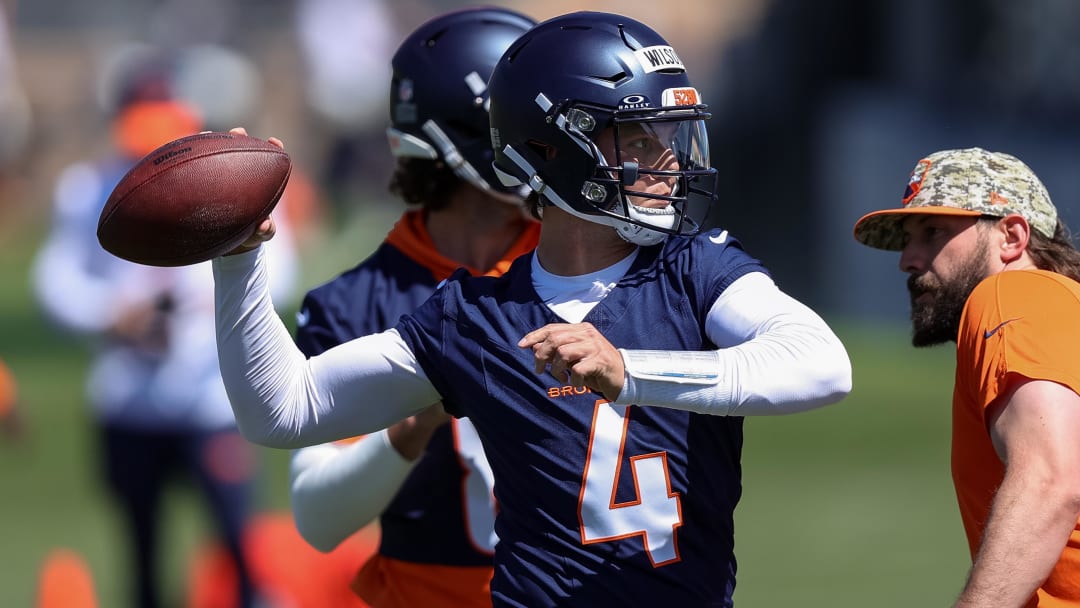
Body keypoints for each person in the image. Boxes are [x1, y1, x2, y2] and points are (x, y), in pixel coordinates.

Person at [210, 11, 851, 607]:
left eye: (670, 135)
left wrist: (630, 371)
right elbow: (283, 409)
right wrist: (237, 260)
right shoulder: (472, 315)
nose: (667, 162)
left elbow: (822, 367)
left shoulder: (695, 266)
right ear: (552, 150)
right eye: (636, 137)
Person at [287, 7, 539, 608]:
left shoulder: (592, 260)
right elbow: (318, 518)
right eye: (529, 123)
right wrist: (412, 424)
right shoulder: (354, 303)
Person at [31, 54, 298, 608]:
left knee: (240, 547)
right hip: (128, 399)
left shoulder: (226, 174)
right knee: (143, 554)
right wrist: (112, 313)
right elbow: (54, 282)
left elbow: (286, 263)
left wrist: (213, 297)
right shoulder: (87, 188)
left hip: (212, 399)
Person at [853, 147, 1080, 607]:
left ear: (1012, 237)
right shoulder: (1059, 311)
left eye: (934, 232)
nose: (908, 260)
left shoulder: (1013, 293)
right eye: (907, 240)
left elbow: (1050, 483)